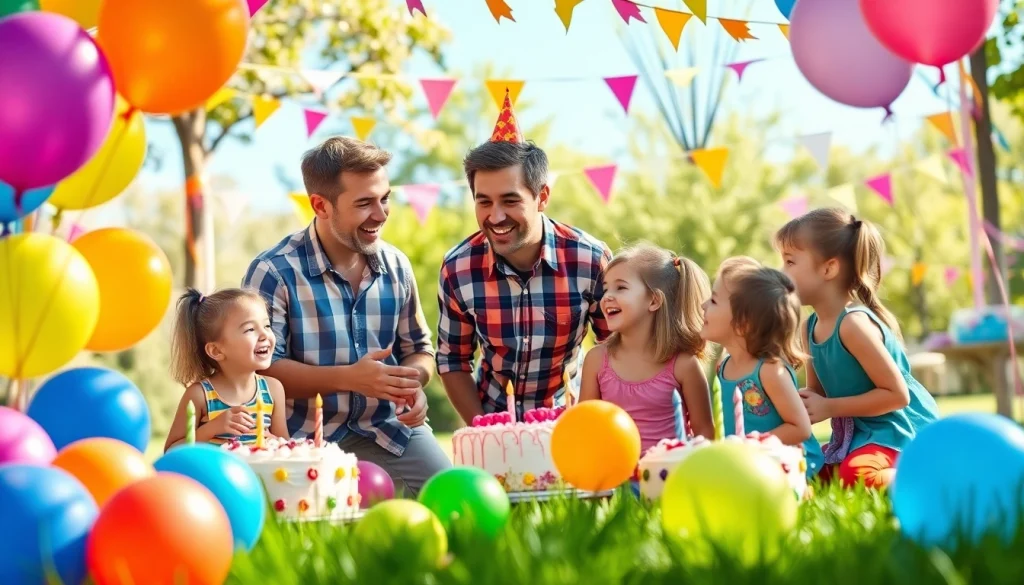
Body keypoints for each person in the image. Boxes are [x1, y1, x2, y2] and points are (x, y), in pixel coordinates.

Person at [242, 136, 451, 496]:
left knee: (453, 498)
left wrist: (410, 383)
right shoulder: (273, 271)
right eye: (365, 203)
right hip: (301, 437)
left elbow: (419, 349)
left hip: (389, 429)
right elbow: (261, 369)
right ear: (321, 206)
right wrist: (350, 378)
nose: (381, 214)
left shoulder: (397, 266)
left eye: (385, 199)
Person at [436, 88, 613, 423]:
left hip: (570, 420)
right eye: (484, 202)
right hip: (492, 419)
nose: (496, 216)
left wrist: (591, 420)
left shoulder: (590, 260)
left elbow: (617, 350)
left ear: (542, 197)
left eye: (510, 200)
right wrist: (484, 428)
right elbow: (452, 360)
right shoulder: (458, 268)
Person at [775, 208, 939, 489]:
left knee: (856, 476)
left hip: (897, 433)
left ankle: (928, 477)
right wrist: (787, 404)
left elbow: (897, 395)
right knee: (807, 470)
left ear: (828, 268)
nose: (782, 272)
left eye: (790, 262)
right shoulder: (809, 327)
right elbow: (818, 394)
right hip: (856, 438)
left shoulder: (853, 325)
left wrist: (829, 407)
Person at [578, 244, 715, 452]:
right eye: (606, 289)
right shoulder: (596, 360)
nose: (607, 297)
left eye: (621, 288)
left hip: (670, 470)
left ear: (654, 300)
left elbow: (704, 433)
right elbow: (585, 426)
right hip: (613, 472)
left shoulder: (684, 365)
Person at [700, 257, 824, 480]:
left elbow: (800, 428)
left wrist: (751, 446)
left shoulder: (769, 370)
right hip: (748, 466)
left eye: (714, 300)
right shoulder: (724, 367)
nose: (703, 305)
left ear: (743, 323)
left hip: (791, 464)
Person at [164, 288, 289, 450]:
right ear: (216, 351)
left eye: (266, 325)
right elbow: (171, 450)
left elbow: (286, 447)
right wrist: (212, 428)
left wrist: (276, 442)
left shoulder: (273, 389)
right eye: (250, 329)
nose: (265, 334)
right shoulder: (199, 395)